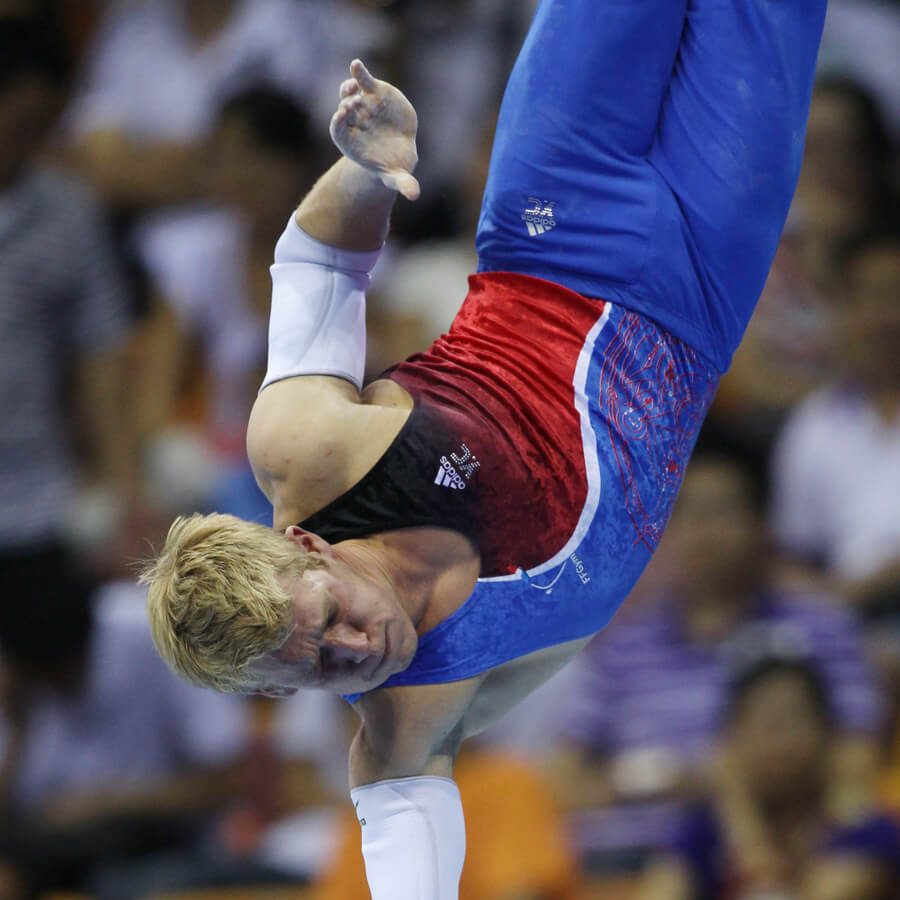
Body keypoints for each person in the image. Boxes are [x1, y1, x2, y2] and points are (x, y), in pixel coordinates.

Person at [143, 2, 827, 897]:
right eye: (315, 668)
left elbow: (316, 265)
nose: (357, 648)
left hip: (556, 212)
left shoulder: (307, 452)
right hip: (705, 278)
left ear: (306, 545)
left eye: (330, 616)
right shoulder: (409, 732)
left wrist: (364, 171)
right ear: (277, 693)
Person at [637, 652, 900, 900]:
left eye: (794, 719)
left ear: (826, 732)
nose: (781, 740)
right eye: (766, 722)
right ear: (731, 739)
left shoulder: (865, 828)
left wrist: (736, 806)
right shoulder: (702, 828)